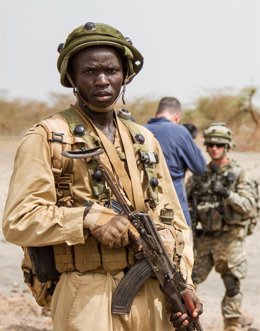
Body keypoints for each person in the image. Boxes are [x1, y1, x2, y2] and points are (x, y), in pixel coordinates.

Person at [2, 22, 202, 331]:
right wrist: (87, 219)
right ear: (72, 78)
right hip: (88, 294)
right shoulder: (48, 137)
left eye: (111, 71)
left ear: (125, 75)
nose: (103, 81)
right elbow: (18, 221)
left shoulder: (144, 139)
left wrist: (184, 282)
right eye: (90, 72)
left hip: (153, 290)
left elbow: (174, 221)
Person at [186, 123, 257, 331]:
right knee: (189, 281)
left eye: (219, 145)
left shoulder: (238, 173)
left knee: (232, 285)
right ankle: (188, 323)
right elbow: (186, 203)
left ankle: (232, 325)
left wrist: (227, 194)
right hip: (204, 237)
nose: (214, 148)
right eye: (211, 145)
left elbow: (249, 206)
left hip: (230, 238)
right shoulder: (200, 175)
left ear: (227, 147)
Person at [145, 97, 206, 227]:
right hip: (175, 213)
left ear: (157, 113)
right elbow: (200, 168)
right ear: (177, 117)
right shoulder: (180, 132)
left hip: (145, 215)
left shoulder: (138, 131)